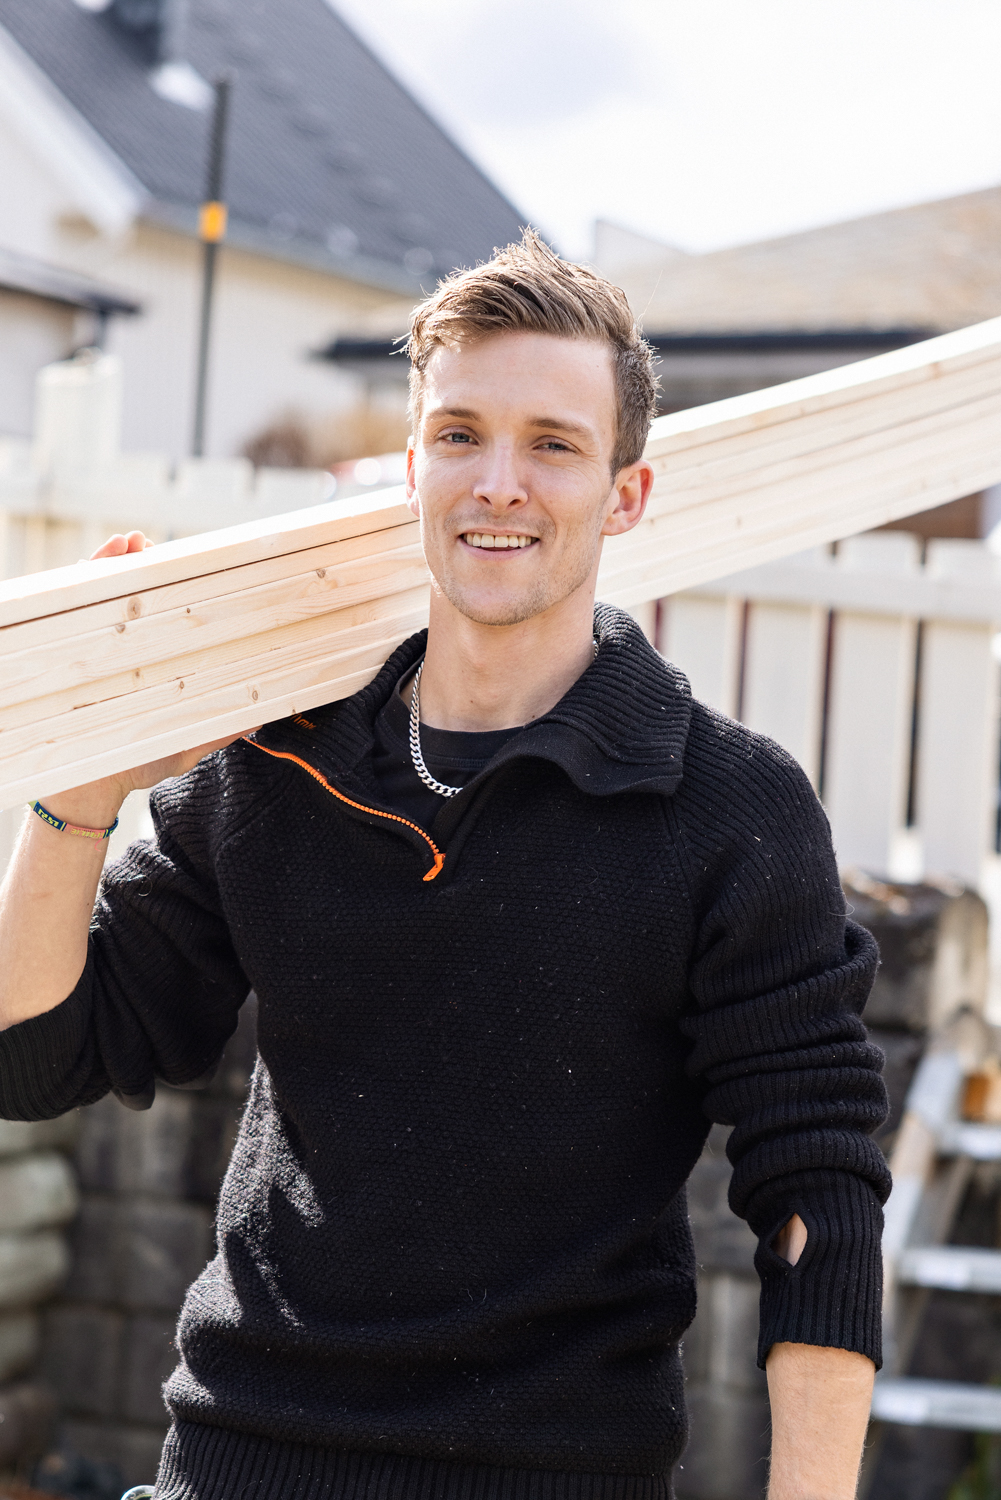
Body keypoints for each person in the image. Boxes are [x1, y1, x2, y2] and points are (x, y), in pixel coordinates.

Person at [0, 232, 889, 1500]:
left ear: (622, 496)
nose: (499, 484)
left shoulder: (727, 809)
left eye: (554, 444)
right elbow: (35, 1056)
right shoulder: (280, 759)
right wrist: (78, 792)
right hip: (242, 1461)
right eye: (461, 433)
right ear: (410, 462)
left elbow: (817, 1207)